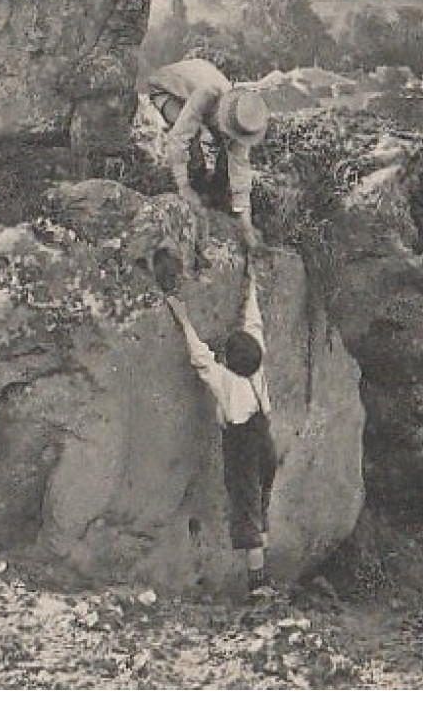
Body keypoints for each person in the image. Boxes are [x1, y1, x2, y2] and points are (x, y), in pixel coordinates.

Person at [164, 255, 279, 596]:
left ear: (229, 360)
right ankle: (265, 567)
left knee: (246, 510)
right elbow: (253, 322)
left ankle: (258, 586)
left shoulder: (225, 380)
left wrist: (183, 318)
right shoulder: (256, 367)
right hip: (265, 441)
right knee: (261, 501)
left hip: (242, 446)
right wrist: (252, 283)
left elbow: (199, 355)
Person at [146, 58, 269, 251]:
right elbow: (178, 139)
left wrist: (246, 227)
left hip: (198, 87)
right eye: (230, 133)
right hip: (166, 87)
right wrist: (185, 188)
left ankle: (214, 192)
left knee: (224, 160)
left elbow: (241, 175)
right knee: (192, 143)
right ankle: (191, 185)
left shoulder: (242, 119)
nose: (233, 140)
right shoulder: (208, 95)